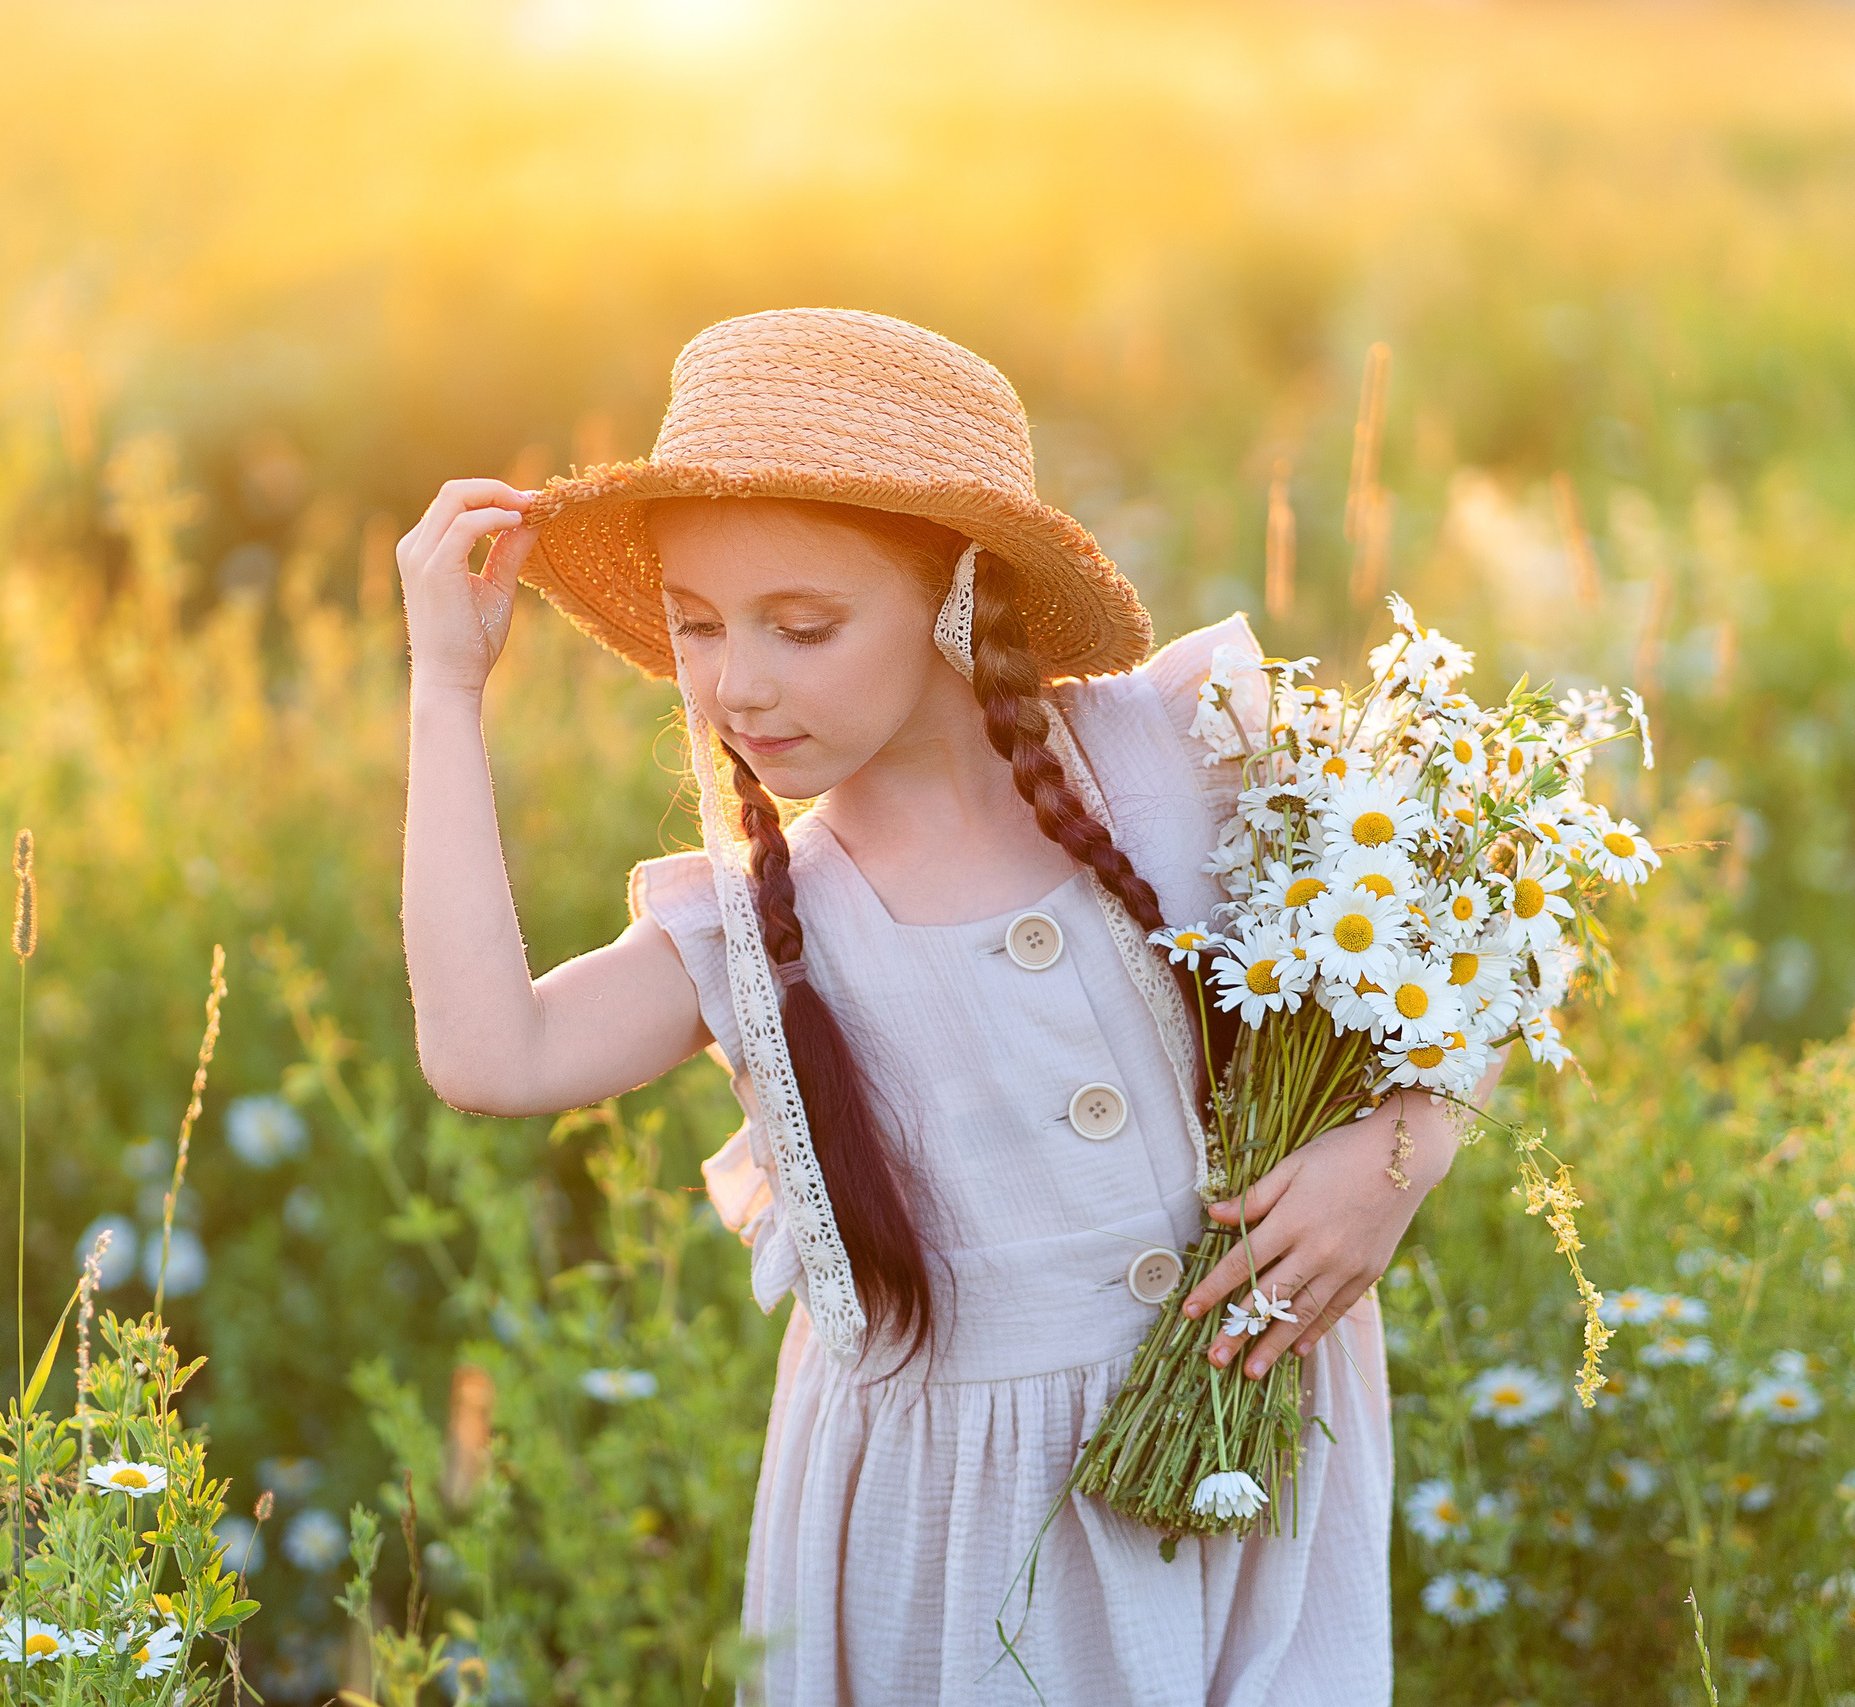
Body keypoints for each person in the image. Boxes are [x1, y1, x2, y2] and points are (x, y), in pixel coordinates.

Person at [397, 307, 1498, 1705]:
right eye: (697, 627)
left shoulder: (1183, 756)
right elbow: (495, 1055)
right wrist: (445, 686)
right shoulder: (763, 921)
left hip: (1254, 1454)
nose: (741, 683)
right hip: (964, 1549)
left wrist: (1402, 1149)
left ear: (962, 596)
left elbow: (1478, 939)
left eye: (805, 626)